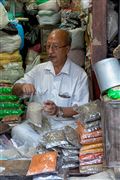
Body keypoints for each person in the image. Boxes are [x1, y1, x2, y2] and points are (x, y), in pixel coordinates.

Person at [12, 29, 89, 145]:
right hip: (39, 126)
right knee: (17, 130)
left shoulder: (79, 75)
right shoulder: (39, 70)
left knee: (69, 139)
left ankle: (45, 148)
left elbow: (81, 109)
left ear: (67, 49)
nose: (50, 51)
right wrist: (23, 86)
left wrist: (58, 110)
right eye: (48, 46)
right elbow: (14, 89)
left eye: (55, 47)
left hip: (64, 128)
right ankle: (48, 147)